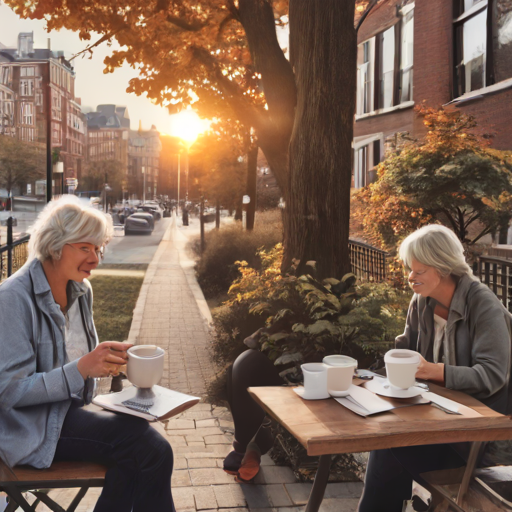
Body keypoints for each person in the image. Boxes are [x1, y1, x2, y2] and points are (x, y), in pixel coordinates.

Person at [0, 196, 175, 512]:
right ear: (56, 246)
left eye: (99, 248)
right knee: (150, 448)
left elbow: (76, 361)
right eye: (85, 248)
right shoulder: (12, 299)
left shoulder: (80, 291)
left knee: (137, 453)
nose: (95, 258)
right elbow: (10, 391)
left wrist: (105, 358)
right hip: (28, 430)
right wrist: (82, 368)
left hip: (69, 413)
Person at [357, 224, 511, 512]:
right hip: (435, 418)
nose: (410, 277)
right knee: (386, 442)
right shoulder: (422, 301)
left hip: (474, 436)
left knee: (389, 447)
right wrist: (376, 371)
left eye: (419, 270)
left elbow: (492, 375)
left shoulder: (483, 305)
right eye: (409, 269)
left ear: (442, 268)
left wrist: (432, 370)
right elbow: (406, 348)